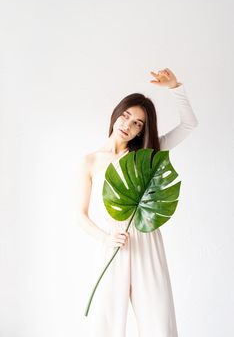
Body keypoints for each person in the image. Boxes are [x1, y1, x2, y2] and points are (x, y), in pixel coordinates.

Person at [77, 68, 199, 337]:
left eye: (138, 124)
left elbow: (189, 124)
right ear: (116, 114)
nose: (128, 125)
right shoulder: (91, 161)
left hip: (147, 240)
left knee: (158, 320)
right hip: (114, 243)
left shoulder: (147, 153)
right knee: (105, 324)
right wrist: (105, 238)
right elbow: (81, 215)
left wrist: (175, 86)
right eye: (126, 116)